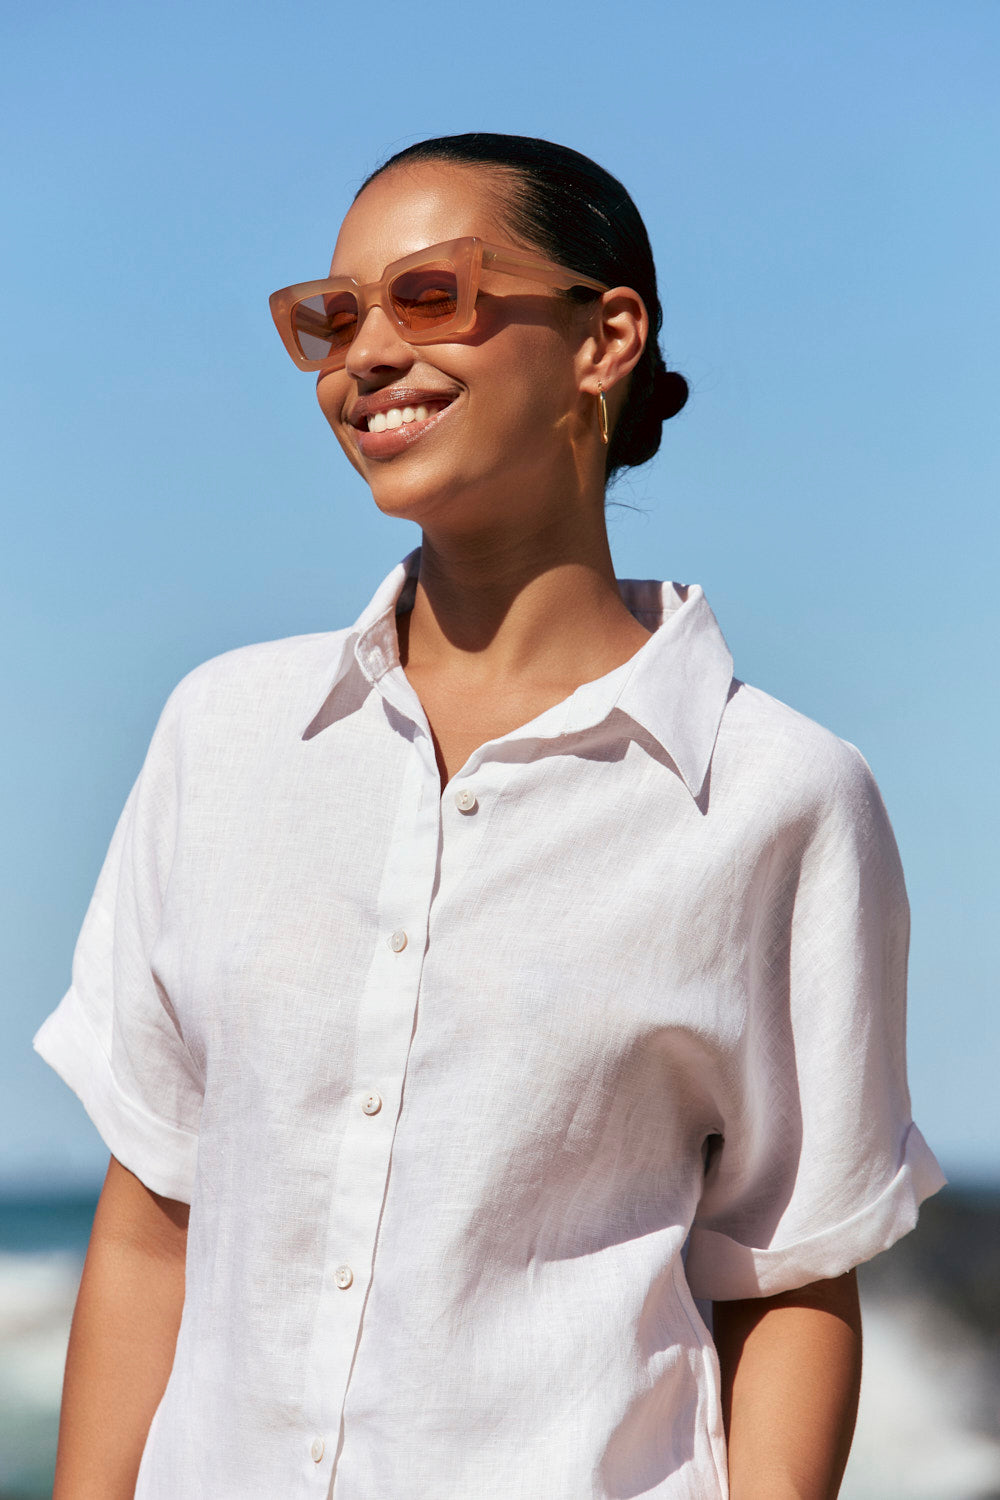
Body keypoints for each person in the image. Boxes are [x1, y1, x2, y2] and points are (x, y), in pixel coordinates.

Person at [35, 132, 945, 1500]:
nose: (363, 358)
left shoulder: (780, 799)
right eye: (331, 319)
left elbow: (791, 1279)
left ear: (604, 337)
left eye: (429, 296)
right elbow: (156, 1218)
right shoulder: (221, 737)